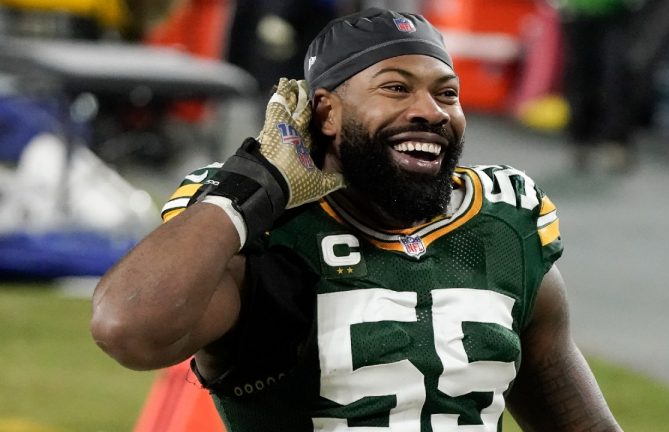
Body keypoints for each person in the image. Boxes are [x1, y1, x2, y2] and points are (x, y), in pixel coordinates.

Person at [91, 8, 622, 431]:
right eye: (396, 88)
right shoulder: (265, 234)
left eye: (447, 93)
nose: (432, 111)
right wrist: (248, 190)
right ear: (326, 112)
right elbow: (126, 330)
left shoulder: (503, 224)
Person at [557, 0, 640, 173]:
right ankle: (581, 141)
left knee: (615, 77)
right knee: (580, 78)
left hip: (616, 14)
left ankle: (615, 142)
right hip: (577, 13)